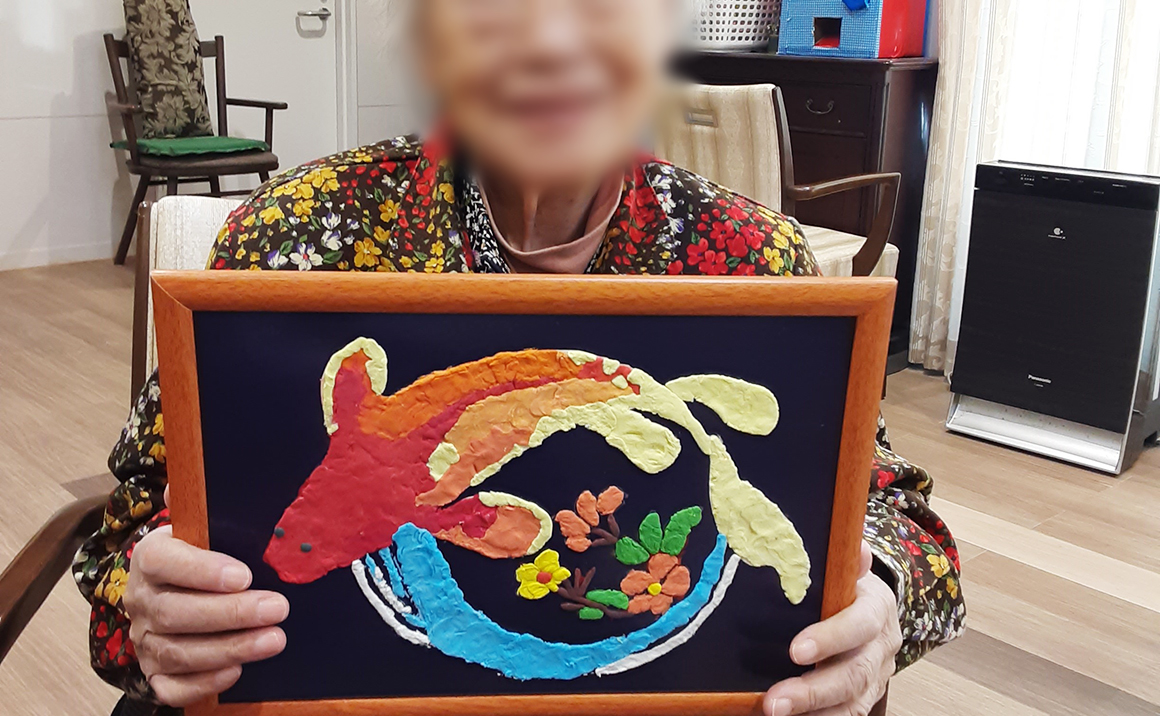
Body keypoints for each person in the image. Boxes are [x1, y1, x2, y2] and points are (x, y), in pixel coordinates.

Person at [73, 2, 964, 715]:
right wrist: (150, 607)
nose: (549, 39)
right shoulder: (296, 238)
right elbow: (131, 531)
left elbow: (894, 514)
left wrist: (879, 596)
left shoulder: (750, 261)